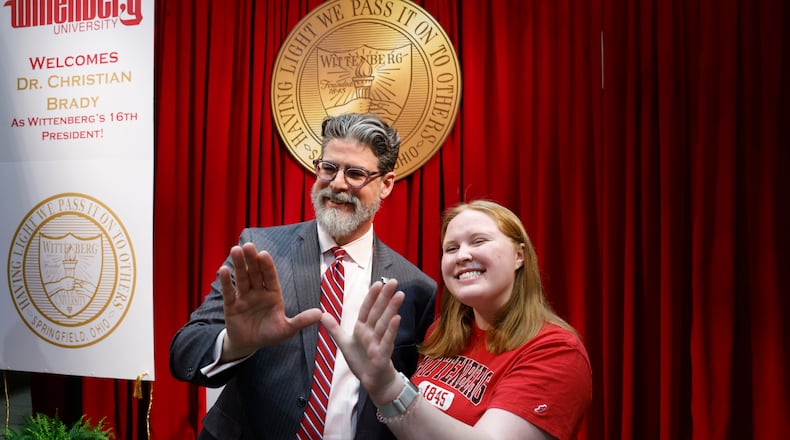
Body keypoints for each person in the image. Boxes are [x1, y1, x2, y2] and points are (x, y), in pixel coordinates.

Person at [169, 113, 437, 439]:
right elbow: (184, 350)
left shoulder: (416, 289)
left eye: (355, 174)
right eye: (329, 168)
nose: (337, 184)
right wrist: (234, 344)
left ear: (386, 184)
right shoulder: (261, 250)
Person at [323, 200, 593, 440]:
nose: (462, 255)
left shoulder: (556, 351)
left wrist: (388, 386)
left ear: (519, 255)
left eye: (478, 241)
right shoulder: (440, 334)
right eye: (451, 248)